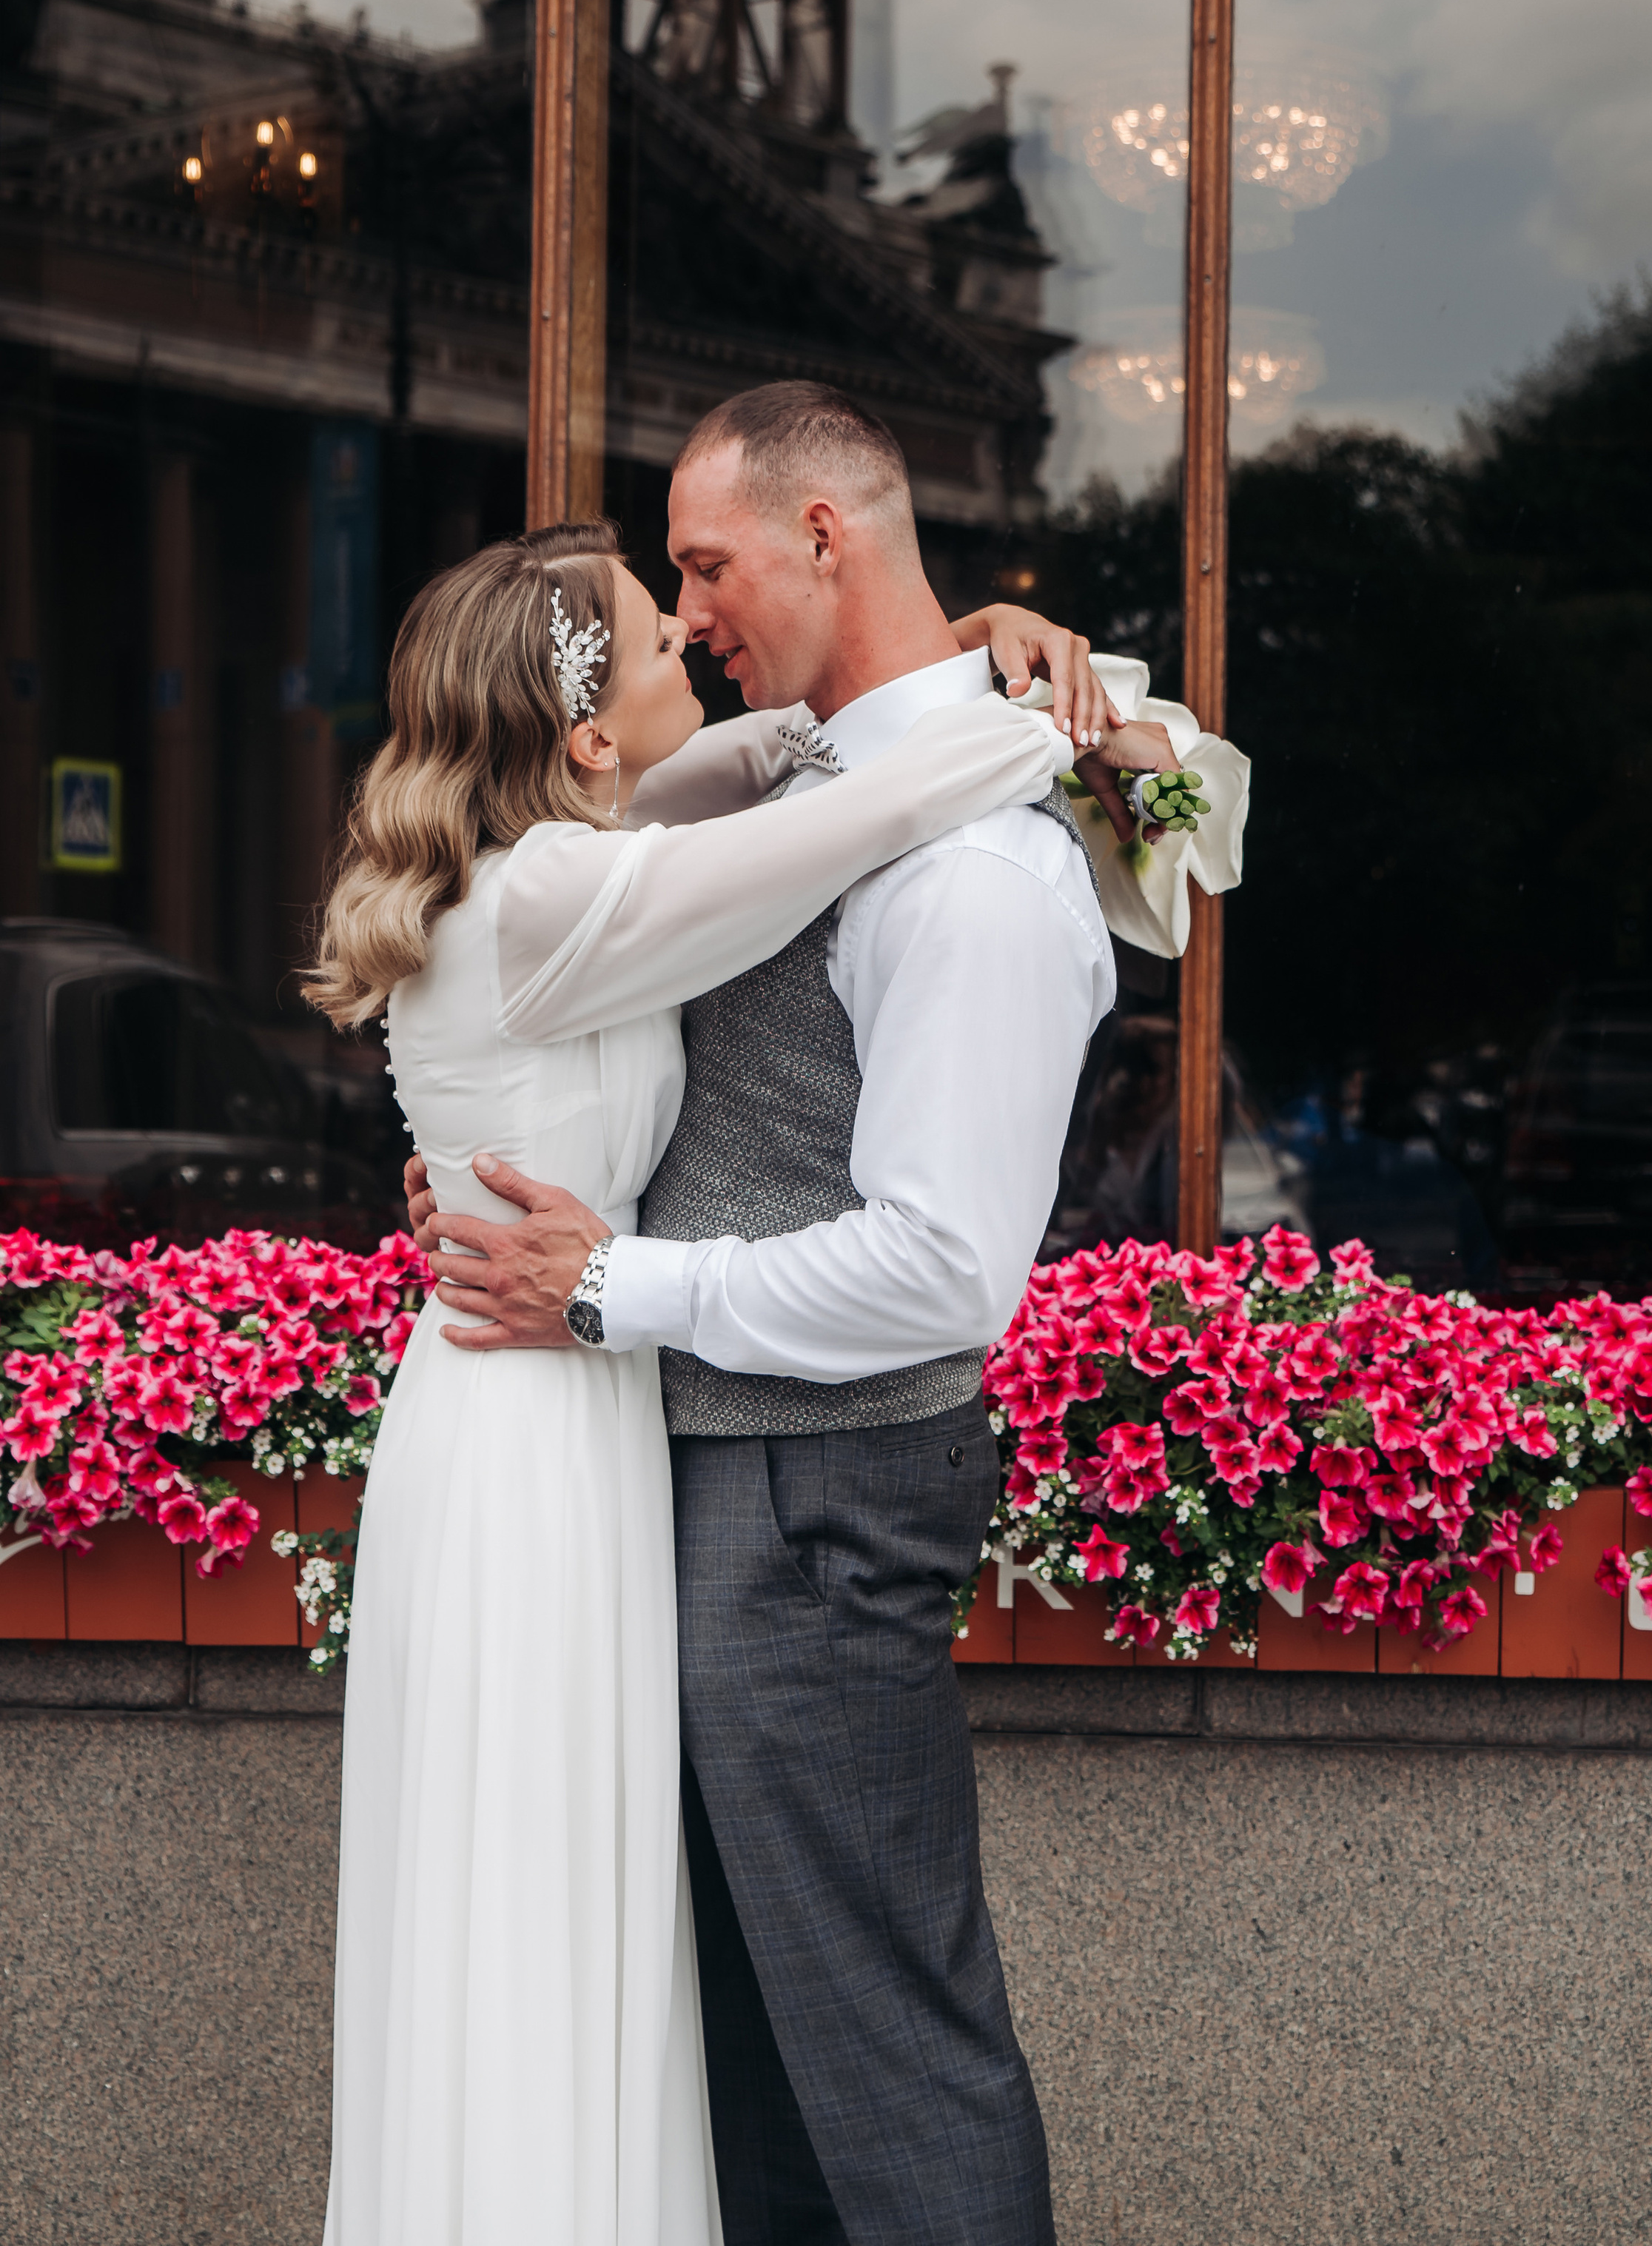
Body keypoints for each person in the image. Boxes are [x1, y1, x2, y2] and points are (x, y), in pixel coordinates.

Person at [408, 382, 1218, 2246]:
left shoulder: (977, 867)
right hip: (703, 1479)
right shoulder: (803, 777)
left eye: (704, 566)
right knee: (755, 2062)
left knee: (880, 2039)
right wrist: (498, 1172)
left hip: (816, 1495)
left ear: (824, 534)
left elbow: (940, 1267)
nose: (690, 614)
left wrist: (606, 1282)